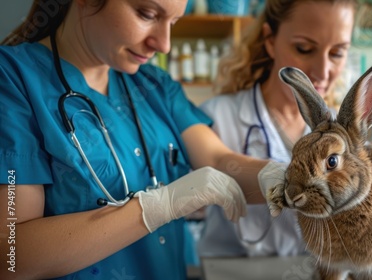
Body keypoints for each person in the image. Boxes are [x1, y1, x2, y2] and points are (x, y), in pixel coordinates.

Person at [0, 0, 285, 279]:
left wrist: (293, 179)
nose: (164, 45)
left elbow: (218, 160)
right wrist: (159, 206)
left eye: (173, 23)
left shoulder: (154, 84)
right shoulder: (12, 78)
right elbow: (10, 254)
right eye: (147, 14)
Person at [198, 0, 357, 257]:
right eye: (304, 49)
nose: (323, 71)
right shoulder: (217, 117)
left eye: (337, 53)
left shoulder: (345, 135)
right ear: (270, 41)